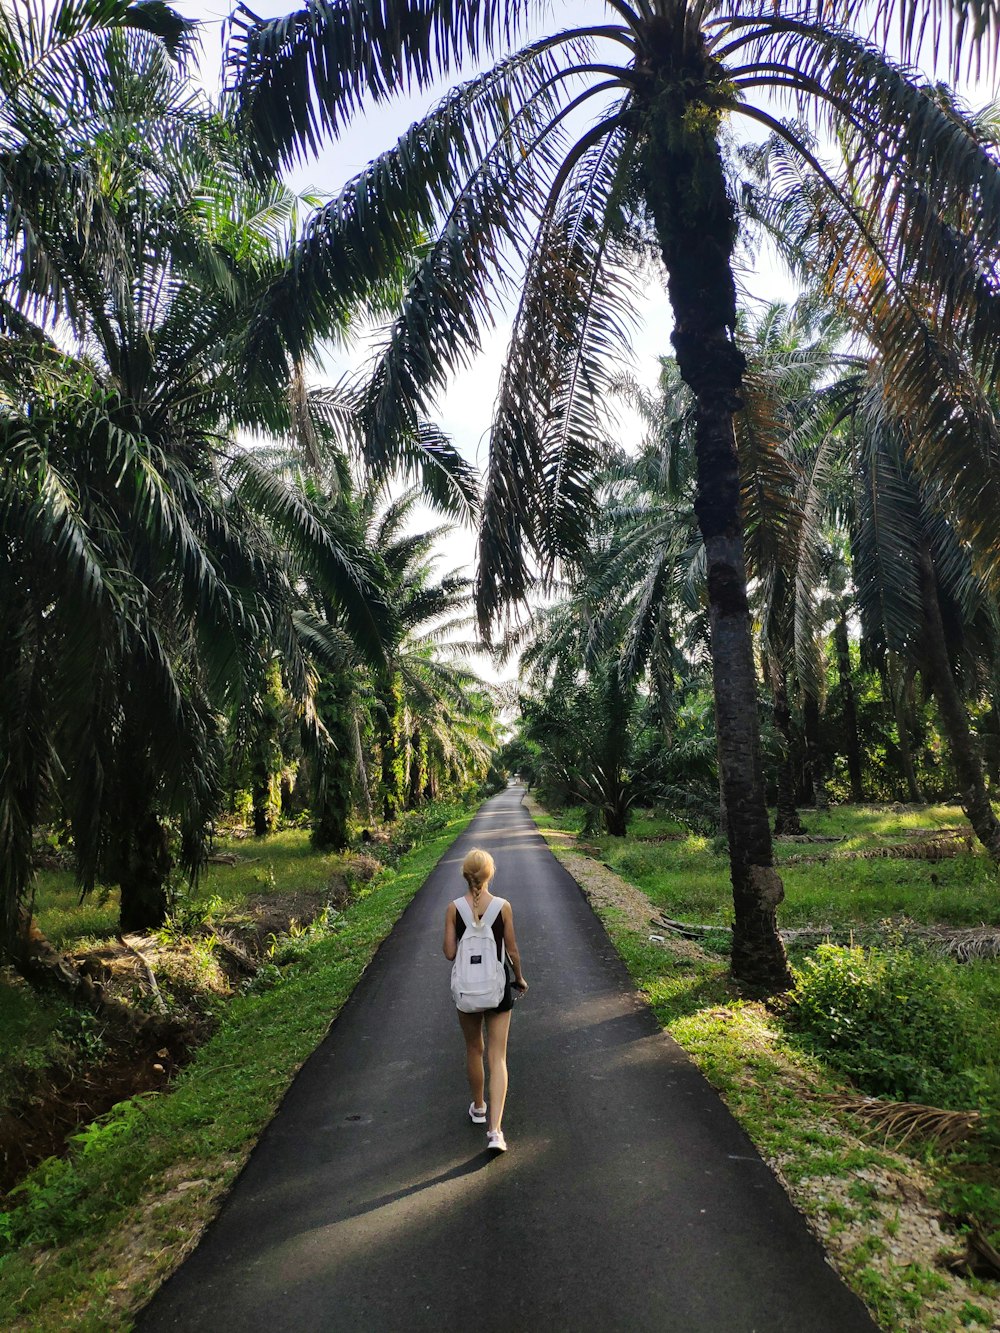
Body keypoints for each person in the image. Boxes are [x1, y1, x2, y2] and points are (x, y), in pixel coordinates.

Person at [443, 848, 528, 1153]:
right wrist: (518, 977)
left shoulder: (453, 908)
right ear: (489, 874)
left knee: (473, 1048)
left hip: (467, 991)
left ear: (465, 875)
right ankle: (495, 1131)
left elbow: (450, 953)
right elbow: (513, 950)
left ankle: (478, 1107)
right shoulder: (503, 907)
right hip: (497, 988)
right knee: (498, 1056)